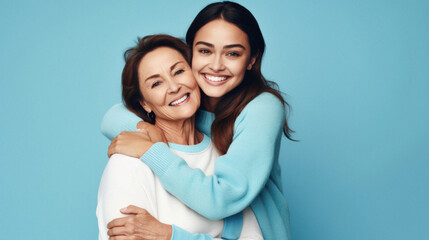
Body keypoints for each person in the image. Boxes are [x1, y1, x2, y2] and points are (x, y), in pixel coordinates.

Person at [102, 1, 293, 239]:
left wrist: (153, 152)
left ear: (252, 59)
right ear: (191, 53)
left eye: (232, 53)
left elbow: (221, 201)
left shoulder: (261, 108)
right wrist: (146, 130)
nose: (216, 65)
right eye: (205, 51)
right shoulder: (189, 102)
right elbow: (111, 117)